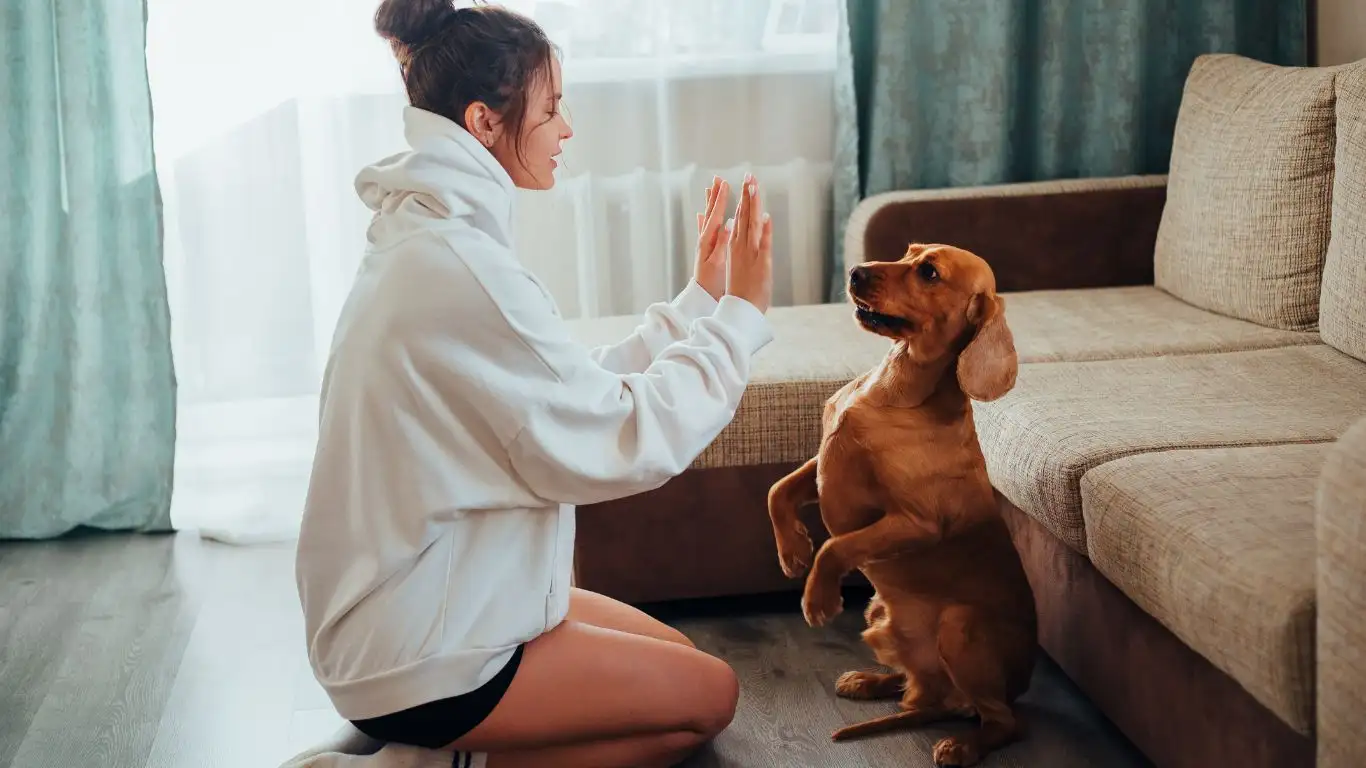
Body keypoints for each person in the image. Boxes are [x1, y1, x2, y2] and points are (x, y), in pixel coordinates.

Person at [293, 2, 776, 767]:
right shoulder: (457, 266)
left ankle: (421, 747)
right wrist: (741, 318)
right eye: (552, 108)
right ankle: (423, 757)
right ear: (484, 122)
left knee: (677, 667)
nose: (567, 128)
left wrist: (700, 303)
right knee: (708, 696)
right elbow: (624, 438)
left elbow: (564, 393)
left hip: (432, 598)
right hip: (419, 647)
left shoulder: (436, 236)